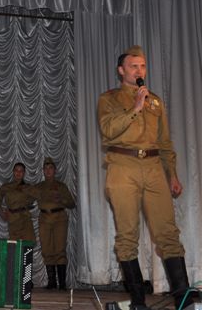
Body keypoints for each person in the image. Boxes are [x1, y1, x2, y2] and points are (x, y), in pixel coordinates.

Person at [98, 45, 194, 310]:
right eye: (133, 66)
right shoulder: (109, 99)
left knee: (168, 232)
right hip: (122, 166)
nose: (139, 71)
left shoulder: (156, 101)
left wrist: (172, 174)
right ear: (121, 71)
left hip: (153, 167)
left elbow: (164, 142)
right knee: (127, 236)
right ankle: (138, 301)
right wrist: (136, 107)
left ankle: (183, 299)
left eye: (142, 66)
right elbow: (108, 130)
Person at [32, 157, 76, 290]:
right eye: (45, 168)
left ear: (55, 170)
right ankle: (52, 282)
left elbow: (72, 204)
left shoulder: (61, 186)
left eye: (50, 168)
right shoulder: (38, 186)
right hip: (44, 218)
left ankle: (62, 283)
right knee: (46, 250)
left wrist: (61, 200)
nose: (48, 170)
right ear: (43, 171)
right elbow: (27, 198)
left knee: (60, 250)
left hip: (59, 218)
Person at [0, 163, 36, 243]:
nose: (18, 173)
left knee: (28, 245)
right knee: (14, 245)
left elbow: (39, 196)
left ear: (24, 173)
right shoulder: (6, 187)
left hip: (25, 219)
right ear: (13, 172)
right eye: (16, 170)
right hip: (13, 219)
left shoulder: (28, 187)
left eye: (21, 171)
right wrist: (1, 212)